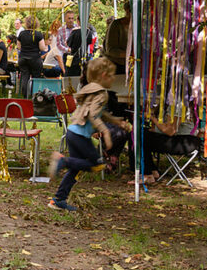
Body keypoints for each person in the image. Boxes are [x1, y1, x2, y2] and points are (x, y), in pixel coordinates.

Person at [46, 58, 131, 211]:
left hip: (73, 131)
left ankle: (58, 200)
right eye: (112, 75)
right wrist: (105, 131)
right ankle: (63, 161)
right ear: (104, 75)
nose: (113, 78)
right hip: (80, 136)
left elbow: (100, 113)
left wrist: (117, 122)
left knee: (76, 167)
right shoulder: (102, 93)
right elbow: (93, 114)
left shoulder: (91, 89)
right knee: (97, 164)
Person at [16, 15, 47, 97]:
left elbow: (19, 46)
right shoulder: (38, 34)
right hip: (35, 59)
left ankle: (25, 95)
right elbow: (42, 47)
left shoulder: (22, 34)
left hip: (23, 58)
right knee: (36, 77)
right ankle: (35, 95)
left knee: (25, 76)